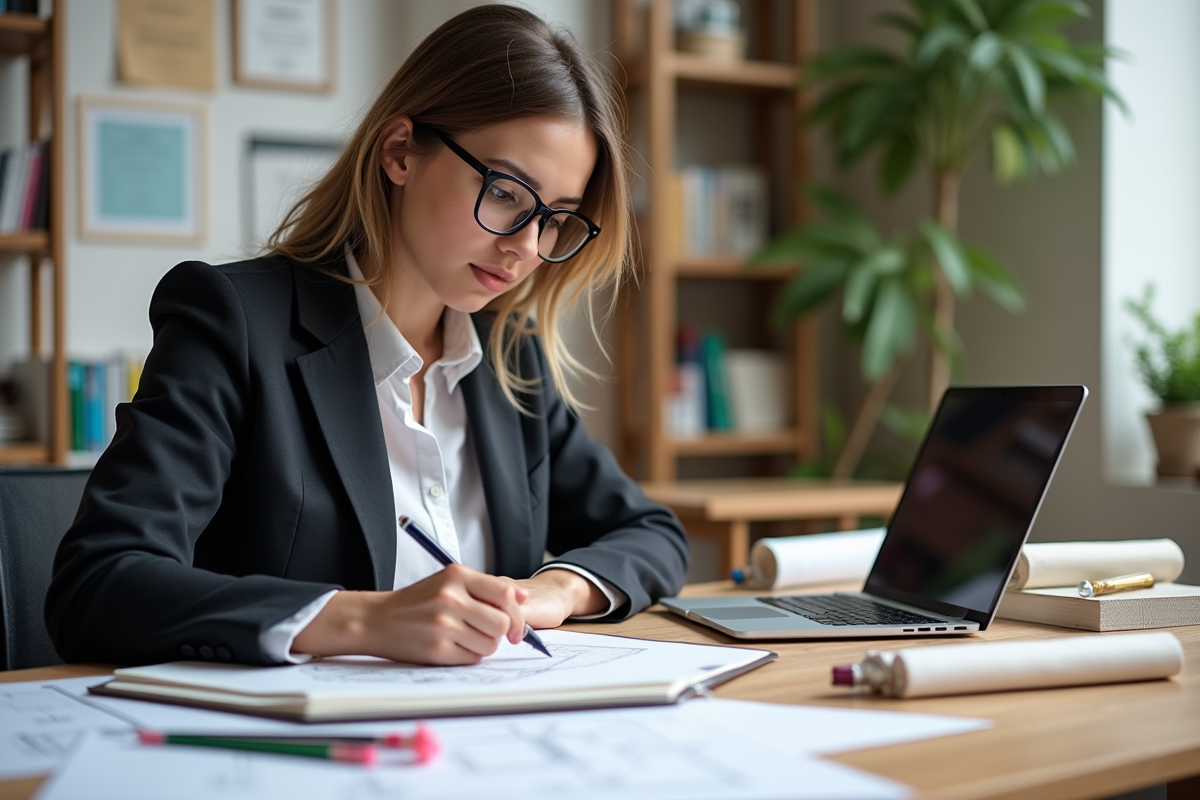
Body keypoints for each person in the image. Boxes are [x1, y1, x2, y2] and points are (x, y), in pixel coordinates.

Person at [46, 5, 689, 668]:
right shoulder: (234, 321)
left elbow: (652, 532)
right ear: (400, 152)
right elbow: (97, 585)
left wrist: (554, 592)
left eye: (556, 219)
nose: (526, 245)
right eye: (504, 192)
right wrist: (362, 619)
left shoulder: (507, 353)